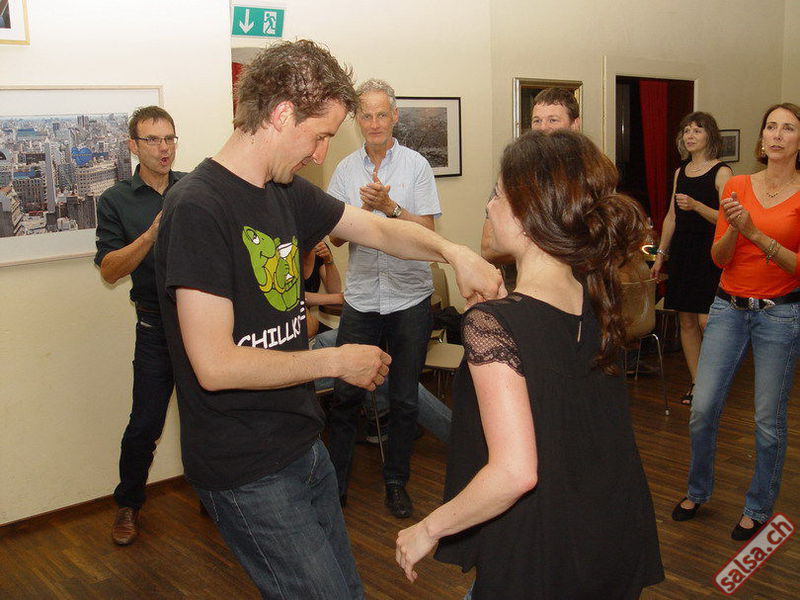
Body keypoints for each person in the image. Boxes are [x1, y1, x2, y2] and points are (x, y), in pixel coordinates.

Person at [154, 40, 503, 600]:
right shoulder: (198, 207)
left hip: (300, 443)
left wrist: (453, 252)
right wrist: (335, 361)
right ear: (281, 114)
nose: (320, 155)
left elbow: (380, 229)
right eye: (319, 135)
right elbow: (215, 365)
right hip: (246, 465)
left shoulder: (285, 192)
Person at [395, 130, 664, 599]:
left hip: (542, 551)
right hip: (609, 532)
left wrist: (427, 529)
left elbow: (515, 472)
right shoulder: (594, 294)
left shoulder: (494, 324)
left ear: (527, 214)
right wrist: (503, 313)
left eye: (498, 194)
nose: (489, 205)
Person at [672, 103, 800, 541]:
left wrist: (756, 234)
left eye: (788, 128)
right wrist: (733, 228)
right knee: (703, 409)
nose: (777, 135)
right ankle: (697, 490)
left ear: (799, 141)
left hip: (780, 314)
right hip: (728, 307)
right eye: (771, 127)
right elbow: (719, 257)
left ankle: (758, 507)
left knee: (768, 421)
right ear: (762, 138)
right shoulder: (739, 184)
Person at [326, 78, 441, 518]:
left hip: (409, 298)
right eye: (366, 115)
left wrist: (390, 208)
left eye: (381, 114)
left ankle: (396, 482)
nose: (374, 123)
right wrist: (361, 212)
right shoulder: (344, 171)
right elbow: (336, 239)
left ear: (394, 117)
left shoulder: (416, 166)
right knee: (345, 396)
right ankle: (335, 488)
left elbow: (428, 233)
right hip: (362, 300)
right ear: (357, 120)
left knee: (405, 399)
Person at [94, 106, 184, 546]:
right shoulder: (115, 200)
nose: (163, 148)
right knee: (145, 424)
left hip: (202, 323)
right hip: (154, 326)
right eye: (153, 140)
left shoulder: (193, 187)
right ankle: (128, 504)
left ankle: (216, 499)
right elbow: (110, 270)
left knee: (209, 418)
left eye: (169, 139)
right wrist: (149, 236)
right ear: (133, 146)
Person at [303, 245, 452, 445]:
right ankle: (456, 436)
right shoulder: (283, 258)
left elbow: (334, 289)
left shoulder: (315, 252)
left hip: (320, 341)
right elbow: (310, 325)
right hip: (304, 355)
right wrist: (335, 298)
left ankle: (380, 418)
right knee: (382, 367)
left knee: (376, 350)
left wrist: (329, 261)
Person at [651, 112, 732, 404]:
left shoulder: (722, 172)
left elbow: (728, 220)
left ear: (710, 135)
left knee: (707, 322)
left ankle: (714, 382)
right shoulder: (680, 172)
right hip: (683, 253)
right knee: (686, 322)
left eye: (697, 130)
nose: (690, 135)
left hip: (710, 253)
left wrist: (697, 206)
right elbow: (671, 217)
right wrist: (661, 255)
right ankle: (698, 384)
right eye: (686, 130)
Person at [481, 87, 581, 277]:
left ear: (575, 124)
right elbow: (488, 248)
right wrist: (555, 247)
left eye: (553, 120)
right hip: (524, 283)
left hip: (580, 284)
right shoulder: (515, 175)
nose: (543, 128)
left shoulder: (590, 174)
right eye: (537, 121)